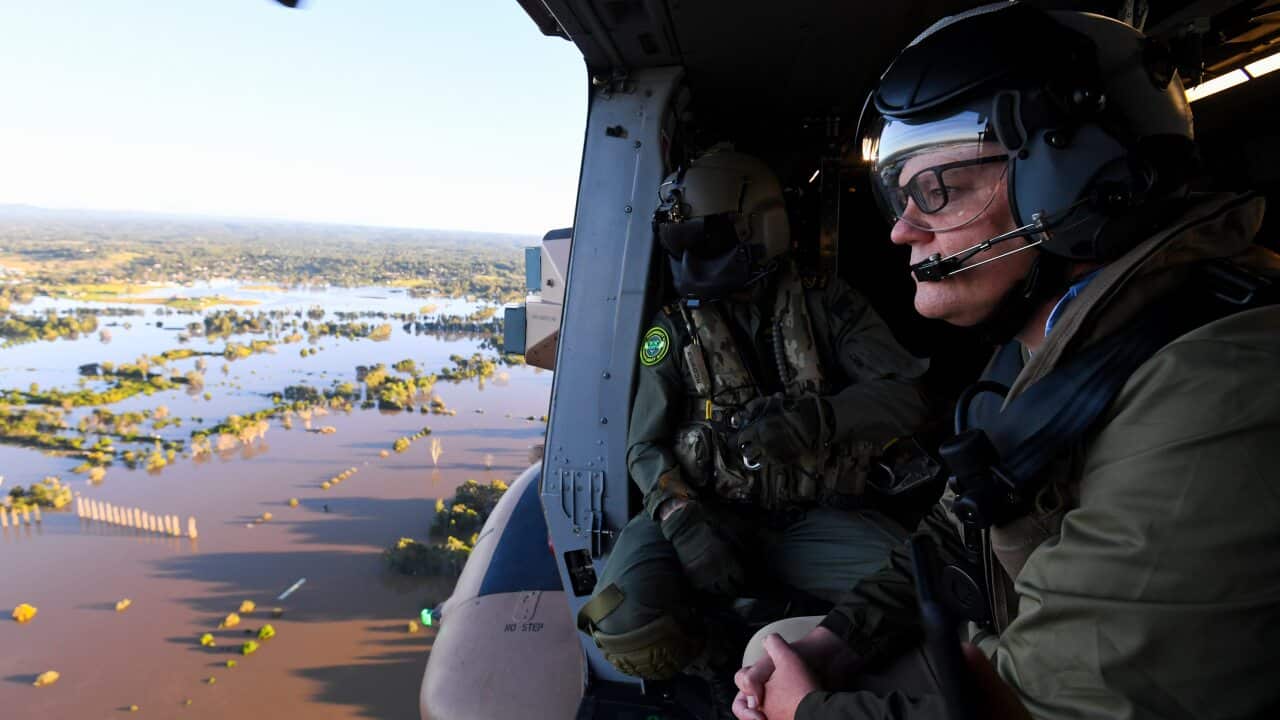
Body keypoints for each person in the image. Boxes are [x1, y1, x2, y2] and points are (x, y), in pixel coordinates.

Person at [733, 4, 1280, 719]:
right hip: (1030, 651)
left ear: (1070, 180)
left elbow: (1061, 708)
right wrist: (838, 642)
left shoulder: (1217, 384)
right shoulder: (1071, 339)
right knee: (782, 645)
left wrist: (806, 714)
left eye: (940, 191)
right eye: (899, 196)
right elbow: (959, 526)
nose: (902, 229)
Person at [575, 148, 931, 696]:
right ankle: (721, 668)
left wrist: (815, 421)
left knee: (928, 586)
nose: (692, 256)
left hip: (810, 516)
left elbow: (907, 398)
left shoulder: (828, 305)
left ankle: (817, 648)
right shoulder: (671, 332)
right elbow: (644, 447)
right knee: (625, 623)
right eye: (682, 241)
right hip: (707, 508)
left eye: (707, 238)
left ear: (757, 230)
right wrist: (680, 517)